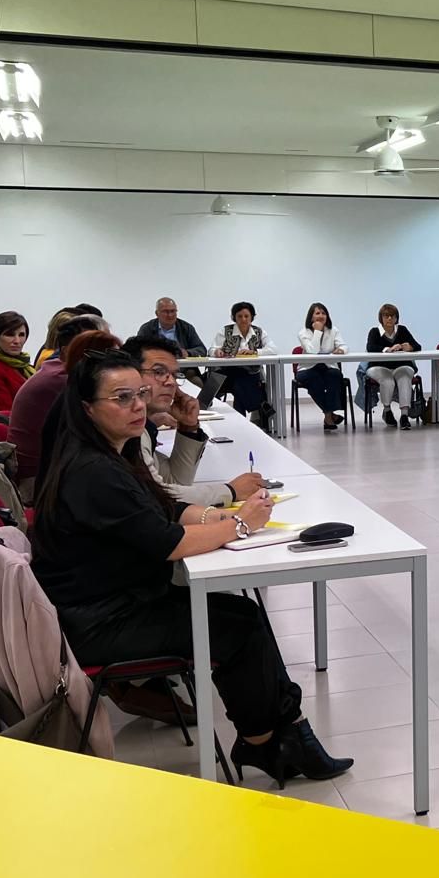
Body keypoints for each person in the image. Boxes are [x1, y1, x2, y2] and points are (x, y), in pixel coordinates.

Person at [30, 350, 352, 785]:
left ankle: (281, 733)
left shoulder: (109, 453)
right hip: (100, 622)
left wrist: (218, 519)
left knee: (244, 614)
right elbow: (169, 543)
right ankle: (267, 740)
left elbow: (163, 507)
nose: (139, 405)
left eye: (140, 394)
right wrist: (238, 525)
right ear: (87, 408)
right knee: (237, 630)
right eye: (122, 397)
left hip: (113, 601)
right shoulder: (93, 472)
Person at [122, 335, 266, 507]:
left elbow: (176, 481)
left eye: (174, 375)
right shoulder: (124, 429)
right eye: (159, 372)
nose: (171, 383)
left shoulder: (145, 427)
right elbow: (158, 497)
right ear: (129, 375)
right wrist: (231, 491)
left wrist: (188, 428)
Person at [9, 314, 109, 489]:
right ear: (66, 351)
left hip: (45, 468)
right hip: (40, 480)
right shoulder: (65, 379)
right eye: (92, 348)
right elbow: (106, 431)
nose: (105, 356)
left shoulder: (58, 368)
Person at [206, 302, 276, 427]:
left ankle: (241, 422)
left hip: (251, 373)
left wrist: (254, 352)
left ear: (252, 317)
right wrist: (217, 351)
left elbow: (273, 350)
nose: (243, 319)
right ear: (234, 317)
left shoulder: (259, 332)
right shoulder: (225, 331)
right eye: (239, 316)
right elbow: (211, 350)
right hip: (228, 372)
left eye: (246, 316)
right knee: (240, 379)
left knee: (239, 383)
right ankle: (258, 408)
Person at [366, 303, 420, 429]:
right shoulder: (374, 332)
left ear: (396, 318)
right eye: (386, 316)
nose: (389, 319)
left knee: (405, 377)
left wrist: (408, 347)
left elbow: (417, 346)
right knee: (387, 380)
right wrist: (387, 349)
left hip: (401, 366)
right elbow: (370, 348)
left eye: (392, 316)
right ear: (381, 318)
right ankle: (387, 411)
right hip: (379, 367)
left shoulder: (402, 330)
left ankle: (404, 416)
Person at [296, 302, 349, 431]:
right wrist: (318, 331)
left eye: (323, 313)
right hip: (308, 368)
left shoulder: (333, 330)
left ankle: (328, 415)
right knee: (314, 379)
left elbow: (344, 345)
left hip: (327, 366)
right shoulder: (303, 333)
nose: (321, 315)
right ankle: (329, 415)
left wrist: (341, 350)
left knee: (335, 375)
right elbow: (313, 351)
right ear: (311, 317)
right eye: (317, 313)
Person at [136, 297, 206, 359]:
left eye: (173, 311)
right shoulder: (147, 328)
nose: (170, 315)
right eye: (165, 311)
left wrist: (187, 353)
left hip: (184, 368)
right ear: (157, 313)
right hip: (156, 368)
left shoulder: (186, 328)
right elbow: (138, 351)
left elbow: (202, 350)